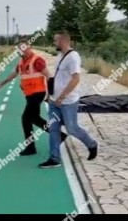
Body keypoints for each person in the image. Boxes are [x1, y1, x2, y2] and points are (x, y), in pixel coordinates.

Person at [0, 40, 67, 155]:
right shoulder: (21, 62)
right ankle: (59, 135)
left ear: (29, 47)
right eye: (19, 48)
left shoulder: (37, 60)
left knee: (25, 118)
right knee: (35, 118)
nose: (21, 50)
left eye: (23, 47)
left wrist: (50, 94)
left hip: (38, 93)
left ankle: (31, 147)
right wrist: (1, 84)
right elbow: (13, 74)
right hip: (29, 95)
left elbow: (49, 76)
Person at [39, 30, 97, 169]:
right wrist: (50, 96)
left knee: (72, 128)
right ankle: (54, 158)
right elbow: (58, 78)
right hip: (54, 101)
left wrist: (62, 96)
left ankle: (92, 144)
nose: (54, 43)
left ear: (63, 41)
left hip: (68, 102)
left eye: (55, 40)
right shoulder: (60, 56)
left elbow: (76, 78)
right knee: (53, 129)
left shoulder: (73, 57)